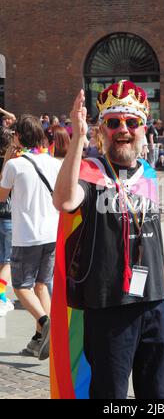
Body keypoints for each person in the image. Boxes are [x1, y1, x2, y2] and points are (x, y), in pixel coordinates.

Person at [52, 80, 164, 399]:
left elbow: (155, 242)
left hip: (155, 304)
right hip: (108, 306)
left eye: (131, 122)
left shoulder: (149, 173)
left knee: (163, 393)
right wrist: (77, 138)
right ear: (102, 131)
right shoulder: (90, 172)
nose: (123, 129)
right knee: (110, 394)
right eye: (113, 122)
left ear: (143, 128)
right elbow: (64, 201)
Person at [0, 115, 62, 359]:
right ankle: (43, 339)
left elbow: (1, 196)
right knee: (41, 286)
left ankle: (46, 322)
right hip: (50, 234)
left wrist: (6, 160)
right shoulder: (53, 163)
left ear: (17, 137)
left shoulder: (15, 165)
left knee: (21, 287)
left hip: (27, 235)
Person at [0, 127, 13, 316]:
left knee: (2, 259)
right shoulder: (12, 163)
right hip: (9, 215)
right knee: (8, 261)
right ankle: (1, 297)